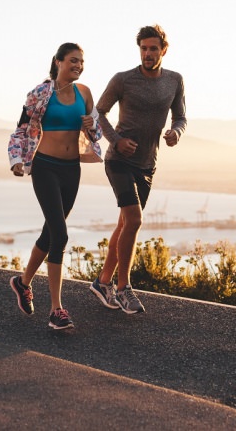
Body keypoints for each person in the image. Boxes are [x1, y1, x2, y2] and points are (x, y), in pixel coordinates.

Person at [89, 24, 187, 314]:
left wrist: (176, 133)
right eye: (143, 48)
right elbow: (98, 113)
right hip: (118, 161)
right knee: (134, 219)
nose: (147, 53)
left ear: (163, 50)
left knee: (125, 224)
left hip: (147, 164)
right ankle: (123, 288)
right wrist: (117, 141)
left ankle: (102, 281)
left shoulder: (175, 80)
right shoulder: (123, 80)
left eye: (153, 48)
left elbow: (180, 116)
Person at [7, 42, 102, 329]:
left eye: (81, 62)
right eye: (73, 60)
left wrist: (90, 125)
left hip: (71, 170)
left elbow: (96, 134)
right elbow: (21, 129)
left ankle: (22, 283)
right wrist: (16, 159)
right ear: (58, 62)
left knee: (50, 233)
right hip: (45, 167)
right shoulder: (40, 93)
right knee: (60, 235)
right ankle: (56, 310)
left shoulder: (84, 93)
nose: (78, 66)